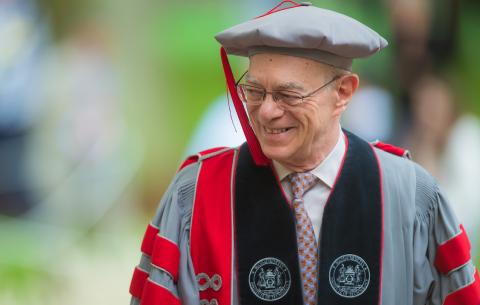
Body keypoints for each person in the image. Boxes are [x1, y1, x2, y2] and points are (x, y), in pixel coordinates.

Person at [129, 2, 480, 305]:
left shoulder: (410, 195)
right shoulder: (196, 194)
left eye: (288, 94)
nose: (266, 111)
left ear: (343, 92)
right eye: (254, 90)